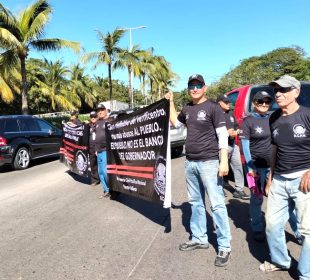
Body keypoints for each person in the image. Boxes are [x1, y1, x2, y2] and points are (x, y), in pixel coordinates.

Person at [166, 74, 232, 267]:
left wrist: (223, 161)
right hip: (191, 162)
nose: (194, 89)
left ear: (205, 87)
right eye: (191, 86)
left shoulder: (214, 107)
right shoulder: (187, 108)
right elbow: (176, 124)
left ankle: (224, 246)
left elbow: (222, 135)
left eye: (198, 85)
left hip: (210, 163)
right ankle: (199, 238)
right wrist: (170, 102)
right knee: (195, 202)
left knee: (217, 204)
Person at [259, 75, 310, 279]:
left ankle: (305, 273)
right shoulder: (274, 117)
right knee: (272, 224)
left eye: (283, 90)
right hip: (279, 178)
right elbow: (274, 148)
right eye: (276, 90)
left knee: (307, 230)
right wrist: (271, 177)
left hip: (304, 179)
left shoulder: (307, 115)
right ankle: (280, 261)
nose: (278, 94)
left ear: (296, 92)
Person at [240, 91, 300, 242]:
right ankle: (257, 227)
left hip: (274, 167)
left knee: (284, 200)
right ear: (254, 103)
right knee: (256, 199)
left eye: (268, 102)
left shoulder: (272, 118)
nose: (265, 105)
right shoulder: (248, 121)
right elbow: (245, 146)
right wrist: (250, 166)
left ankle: (298, 233)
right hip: (255, 167)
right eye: (261, 102)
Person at [217, 94, 249, 200]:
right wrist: (226, 133)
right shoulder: (215, 114)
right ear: (219, 103)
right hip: (221, 146)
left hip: (232, 144)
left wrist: (236, 131)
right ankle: (219, 189)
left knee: (238, 166)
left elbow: (237, 126)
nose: (228, 104)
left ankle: (239, 190)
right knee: (220, 168)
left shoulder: (230, 113)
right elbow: (211, 131)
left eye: (228, 102)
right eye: (226, 102)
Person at [95, 103, 110, 198]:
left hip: (106, 150)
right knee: (100, 172)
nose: (99, 112)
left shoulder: (110, 120)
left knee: (105, 171)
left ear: (105, 110)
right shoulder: (97, 122)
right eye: (98, 110)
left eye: (101, 110)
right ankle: (106, 190)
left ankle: (113, 189)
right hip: (99, 151)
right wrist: (96, 150)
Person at [88, 111, 100, 186]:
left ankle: (106, 179)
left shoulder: (101, 124)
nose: (93, 118)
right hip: (91, 148)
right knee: (93, 164)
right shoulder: (88, 126)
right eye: (91, 117)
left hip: (100, 147)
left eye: (94, 116)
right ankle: (95, 179)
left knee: (102, 165)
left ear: (97, 117)